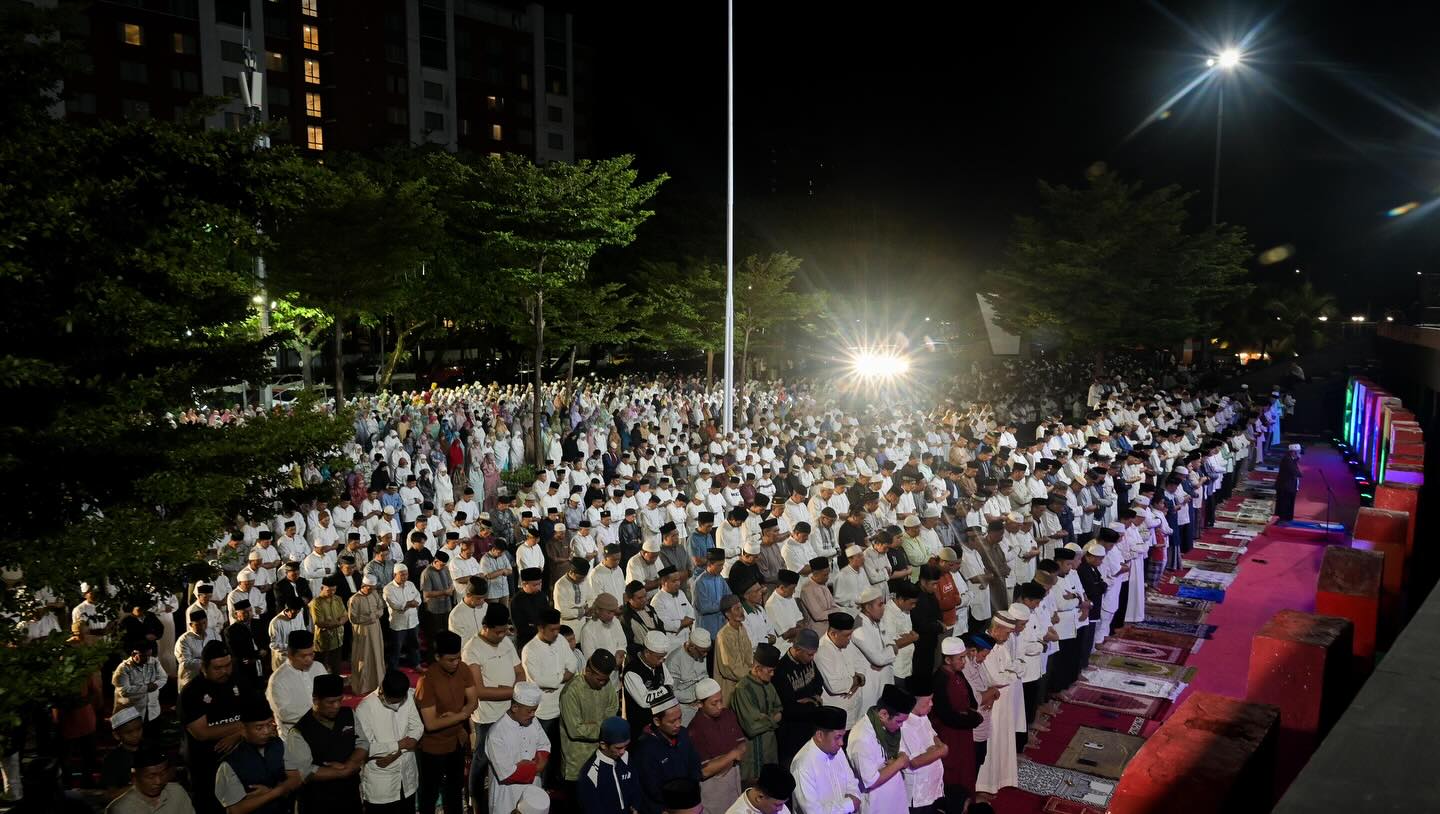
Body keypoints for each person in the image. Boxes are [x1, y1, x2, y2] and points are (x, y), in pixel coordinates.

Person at [463, 603, 524, 814]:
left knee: (509, 755)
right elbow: (479, 690)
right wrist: (514, 692)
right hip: (487, 716)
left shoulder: (506, 642)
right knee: (482, 759)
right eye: (497, 632)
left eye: (504, 631)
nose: (501, 635)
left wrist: (512, 690)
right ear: (486, 626)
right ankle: (475, 800)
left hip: (510, 712)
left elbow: (520, 672)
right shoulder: (472, 648)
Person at [283, 673, 365, 814]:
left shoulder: (348, 714)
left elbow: (362, 743)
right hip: (318, 802)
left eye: (340, 700)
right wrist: (344, 772)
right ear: (315, 700)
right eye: (330, 702)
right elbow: (305, 771)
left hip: (350, 796)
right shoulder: (299, 731)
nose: (337, 706)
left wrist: (350, 763)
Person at [416, 631, 478, 814]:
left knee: (454, 789)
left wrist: (456, 715)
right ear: (437, 657)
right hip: (433, 747)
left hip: (457, 741)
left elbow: (474, 700)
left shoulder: (464, 669)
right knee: (430, 792)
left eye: (458, 658)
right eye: (451, 660)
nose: (456, 663)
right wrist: (462, 715)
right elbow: (431, 724)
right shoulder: (427, 681)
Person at [178, 641, 243, 814]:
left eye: (228, 665)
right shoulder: (192, 692)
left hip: (239, 760)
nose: (224, 671)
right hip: (206, 765)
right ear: (203, 667)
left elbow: (257, 714)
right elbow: (202, 732)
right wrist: (242, 726)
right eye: (217, 668)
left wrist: (240, 734)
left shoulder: (237, 680)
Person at [213, 696, 302, 814]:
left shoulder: (279, 745)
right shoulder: (230, 763)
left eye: (270, 724)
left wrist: (271, 791)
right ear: (243, 729)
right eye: (259, 727)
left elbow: (296, 779)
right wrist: (277, 792)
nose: (266, 731)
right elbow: (235, 809)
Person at [354, 669, 424, 813]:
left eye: (400, 701)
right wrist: (399, 744)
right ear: (382, 692)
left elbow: (417, 728)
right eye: (392, 701)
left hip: (406, 776)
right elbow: (367, 747)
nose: (397, 705)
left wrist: (397, 752)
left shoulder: (408, 697)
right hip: (381, 785)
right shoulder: (365, 708)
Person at [522, 607, 574, 785]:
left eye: (558, 628)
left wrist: (557, 679)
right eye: (552, 629)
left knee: (561, 749)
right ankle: (542, 787)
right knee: (543, 752)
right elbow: (540, 680)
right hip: (543, 711)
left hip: (563, 705)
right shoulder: (530, 650)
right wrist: (561, 677)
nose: (556, 633)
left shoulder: (560, 640)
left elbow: (572, 664)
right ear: (541, 628)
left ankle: (557, 784)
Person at [931, 637, 983, 808]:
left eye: (964, 657)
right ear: (947, 659)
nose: (964, 662)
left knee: (966, 769)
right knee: (952, 773)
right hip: (949, 735)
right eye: (960, 658)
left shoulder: (958, 674)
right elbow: (946, 715)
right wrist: (972, 719)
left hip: (964, 733)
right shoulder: (940, 679)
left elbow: (971, 701)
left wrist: (971, 715)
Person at [847, 684, 915, 814]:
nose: (901, 726)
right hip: (876, 805)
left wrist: (898, 758)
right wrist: (899, 762)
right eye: (899, 721)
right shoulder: (861, 738)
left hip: (895, 800)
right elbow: (871, 780)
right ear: (883, 714)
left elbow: (899, 752)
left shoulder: (889, 727)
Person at [485, 682, 551, 814]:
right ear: (515, 707)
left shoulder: (533, 721)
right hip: (507, 794)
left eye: (535, 710)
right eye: (530, 711)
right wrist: (536, 767)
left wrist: (530, 765)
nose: (533, 714)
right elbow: (507, 774)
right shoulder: (496, 733)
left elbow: (544, 745)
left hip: (532, 789)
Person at [632, 690, 702, 814]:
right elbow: (651, 789)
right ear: (657, 721)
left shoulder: (684, 734)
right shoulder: (645, 749)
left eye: (679, 718)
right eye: (672, 721)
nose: (678, 724)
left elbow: (694, 765)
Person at [559, 650, 620, 790]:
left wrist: (594, 726)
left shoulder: (606, 683)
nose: (603, 683)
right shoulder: (571, 692)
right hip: (577, 763)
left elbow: (613, 708)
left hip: (602, 756)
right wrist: (604, 729)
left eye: (605, 679)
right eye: (599, 679)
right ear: (587, 671)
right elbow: (575, 730)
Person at [686, 678, 747, 813]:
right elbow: (705, 771)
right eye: (714, 703)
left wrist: (723, 762)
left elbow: (742, 746)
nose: (720, 706)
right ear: (699, 704)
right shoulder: (695, 730)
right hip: (713, 795)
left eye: (721, 700)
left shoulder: (728, 715)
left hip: (734, 784)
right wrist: (732, 755)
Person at [789, 705, 861, 814]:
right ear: (820, 735)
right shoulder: (802, 765)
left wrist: (854, 797)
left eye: (843, 736)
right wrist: (849, 804)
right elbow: (813, 811)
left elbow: (852, 783)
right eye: (837, 737)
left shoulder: (837, 750)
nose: (841, 743)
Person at [731, 643, 783, 784]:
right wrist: (772, 720)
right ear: (758, 669)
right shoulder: (743, 689)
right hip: (752, 757)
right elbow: (752, 727)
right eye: (770, 671)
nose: (773, 674)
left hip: (770, 752)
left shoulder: (769, 685)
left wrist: (765, 718)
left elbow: (779, 710)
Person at [898, 671, 948, 814]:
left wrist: (937, 747)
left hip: (932, 789)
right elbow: (914, 761)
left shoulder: (923, 717)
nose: (932, 704)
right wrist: (941, 751)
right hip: (917, 794)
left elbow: (934, 736)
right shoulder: (904, 724)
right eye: (928, 701)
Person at [772, 629, 822, 769]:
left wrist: (810, 700)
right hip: (791, 736)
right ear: (798, 650)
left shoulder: (808, 661)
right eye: (809, 654)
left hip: (809, 728)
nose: (812, 658)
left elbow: (819, 683)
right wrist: (814, 703)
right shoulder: (781, 670)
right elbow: (790, 708)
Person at [266, 630, 328, 739]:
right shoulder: (278, 680)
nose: (309, 659)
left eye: (311, 654)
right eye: (303, 656)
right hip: (295, 737)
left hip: (322, 730)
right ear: (290, 654)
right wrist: (320, 712)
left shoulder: (318, 667)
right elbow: (285, 714)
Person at [576, 717, 642, 814]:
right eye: (618, 748)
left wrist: (636, 806)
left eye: (626, 746)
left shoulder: (626, 757)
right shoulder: (590, 774)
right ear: (603, 745)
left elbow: (636, 786)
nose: (623, 751)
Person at [107, 744, 194, 814]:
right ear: (134, 777)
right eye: (150, 777)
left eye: (162, 774)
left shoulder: (177, 793)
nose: (158, 781)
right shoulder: (120, 809)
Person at [815, 612, 865, 728]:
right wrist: (856, 681)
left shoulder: (847, 643)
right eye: (847, 635)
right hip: (836, 715)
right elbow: (835, 686)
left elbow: (861, 664)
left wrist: (858, 679)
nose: (850, 638)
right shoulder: (822, 651)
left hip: (854, 711)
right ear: (833, 633)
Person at [623, 631, 676, 731]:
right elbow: (644, 702)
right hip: (641, 726)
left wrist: (664, 690)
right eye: (659, 657)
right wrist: (665, 690)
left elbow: (670, 684)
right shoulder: (632, 671)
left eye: (664, 657)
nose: (662, 661)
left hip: (660, 722)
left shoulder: (659, 664)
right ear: (647, 653)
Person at [347, 574, 386, 696]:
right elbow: (353, 618)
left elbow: (381, 608)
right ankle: (362, 686)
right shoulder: (354, 599)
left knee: (377, 656)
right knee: (363, 657)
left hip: (375, 629)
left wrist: (376, 615)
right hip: (362, 632)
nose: (371, 590)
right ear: (363, 586)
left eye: (373, 588)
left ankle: (378, 683)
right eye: (369, 588)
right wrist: (371, 617)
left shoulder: (374, 594)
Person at [715, 594, 754, 704]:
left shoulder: (742, 628)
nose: (741, 611)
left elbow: (748, 655)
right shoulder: (723, 635)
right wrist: (752, 675)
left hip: (746, 681)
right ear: (727, 614)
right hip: (731, 687)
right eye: (737, 609)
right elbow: (729, 668)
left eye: (741, 607)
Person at [383, 564, 422, 670]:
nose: (405, 577)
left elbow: (418, 598)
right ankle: (393, 669)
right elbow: (395, 605)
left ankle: (416, 664)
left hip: (413, 621)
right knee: (396, 648)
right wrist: (409, 603)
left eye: (406, 574)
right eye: (402, 575)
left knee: (414, 645)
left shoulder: (410, 584)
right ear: (395, 575)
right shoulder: (388, 588)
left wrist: (413, 603)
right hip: (398, 624)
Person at [308, 577, 347, 676]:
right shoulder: (316, 603)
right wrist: (338, 622)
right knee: (321, 669)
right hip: (323, 641)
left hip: (338, 639)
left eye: (334, 590)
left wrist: (335, 622)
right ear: (321, 588)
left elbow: (345, 616)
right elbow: (319, 622)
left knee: (336, 667)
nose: (332, 592)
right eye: (329, 590)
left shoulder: (338, 599)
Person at [722, 763, 795, 814]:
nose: (781, 809)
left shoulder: (775, 804)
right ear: (760, 797)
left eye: (783, 804)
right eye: (777, 805)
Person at [175, 608, 209, 689]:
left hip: (208, 678)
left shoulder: (213, 634)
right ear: (191, 625)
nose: (202, 627)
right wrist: (207, 663)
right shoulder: (183, 640)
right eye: (198, 625)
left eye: (204, 623)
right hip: (190, 679)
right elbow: (185, 662)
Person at [1276, 443, 1301, 521]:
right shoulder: (1287, 460)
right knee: (1285, 504)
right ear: (1293, 452)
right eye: (1298, 452)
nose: (1299, 454)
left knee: (1289, 503)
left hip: (1289, 486)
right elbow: (1294, 472)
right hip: (1285, 486)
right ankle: (1283, 519)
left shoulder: (1291, 459)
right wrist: (1300, 474)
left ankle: (1287, 518)